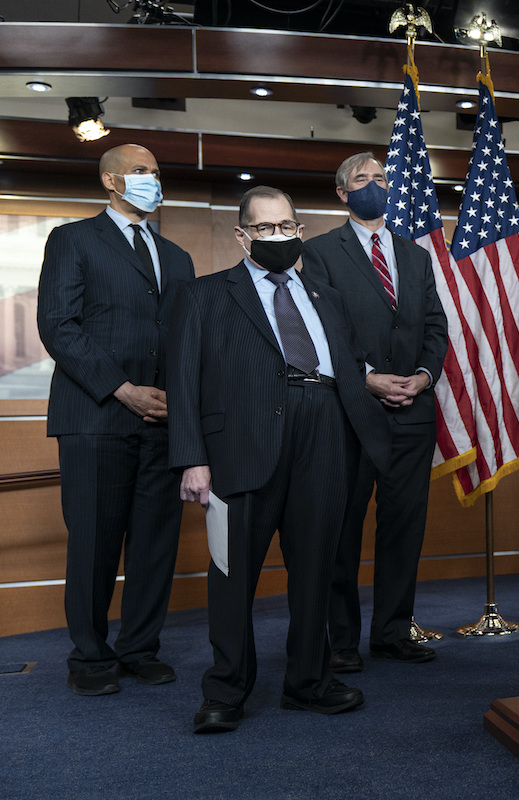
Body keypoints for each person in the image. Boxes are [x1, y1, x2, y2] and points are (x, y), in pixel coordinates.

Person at [167, 186, 388, 733]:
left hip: (326, 432)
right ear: (242, 236)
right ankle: (225, 691)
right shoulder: (205, 295)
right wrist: (191, 459)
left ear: (300, 231)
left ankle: (307, 683)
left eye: (286, 227)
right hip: (241, 445)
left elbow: (349, 366)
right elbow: (182, 381)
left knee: (316, 567)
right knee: (232, 574)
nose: (277, 237)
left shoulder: (326, 297)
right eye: (264, 229)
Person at [37, 143, 195, 696]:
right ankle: (90, 657)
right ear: (110, 180)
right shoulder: (73, 239)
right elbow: (59, 326)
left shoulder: (176, 256)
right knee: (95, 542)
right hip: (97, 415)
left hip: (164, 421)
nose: (153, 178)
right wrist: (123, 389)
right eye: (140, 171)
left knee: (154, 544)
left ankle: (140, 648)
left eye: (156, 170)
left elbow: (183, 339)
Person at [302, 152, 448, 673]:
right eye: (362, 180)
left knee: (404, 527)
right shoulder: (317, 252)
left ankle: (392, 631)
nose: (374, 186)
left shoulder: (416, 255)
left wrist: (424, 377)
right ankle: (342, 639)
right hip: (352, 410)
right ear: (342, 194)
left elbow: (436, 326)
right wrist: (365, 377)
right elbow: (323, 328)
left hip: (413, 408)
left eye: (381, 179)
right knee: (343, 528)